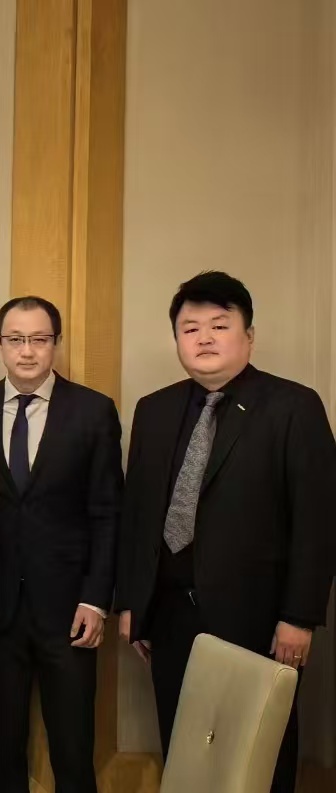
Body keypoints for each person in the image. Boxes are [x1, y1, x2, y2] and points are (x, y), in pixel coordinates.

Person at [116, 271, 336, 793]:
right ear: (177, 339)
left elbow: (319, 520)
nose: (204, 338)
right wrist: (134, 604)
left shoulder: (294, 406)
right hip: (170, 615)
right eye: (190, 329)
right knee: (184, 749)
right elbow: (139, 514)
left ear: (249, 335)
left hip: (260, 619)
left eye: (220, 325)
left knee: (261, 753)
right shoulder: (154, 409)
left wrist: (299, 617)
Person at [0, 296, 122, 793]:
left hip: (70, 610)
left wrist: (96, 598)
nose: (27, 351)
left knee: (73, 747)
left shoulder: (93, 411)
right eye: (16, 339)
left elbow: (108, 513)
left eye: (39, 339)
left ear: (56, 343)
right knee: (1, 747)